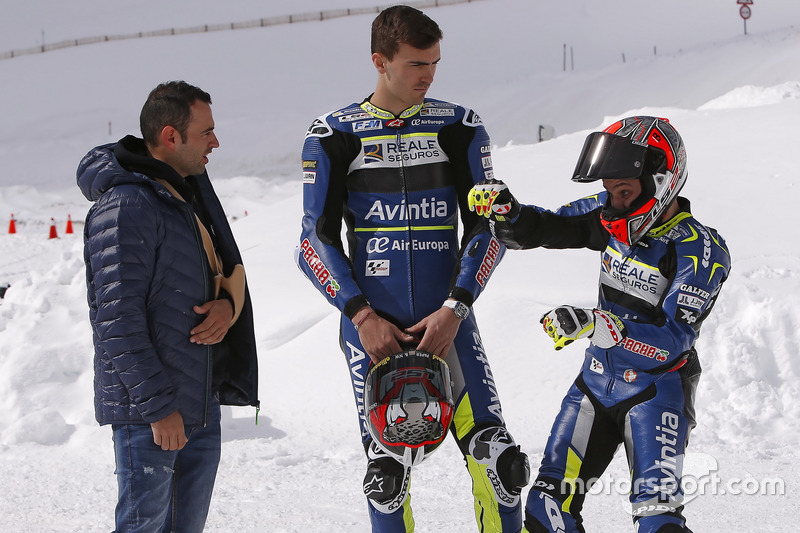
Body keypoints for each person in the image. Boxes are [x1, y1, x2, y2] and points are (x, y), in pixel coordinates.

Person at [296, 5, 529, 532]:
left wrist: (457, 307)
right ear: (380, 61)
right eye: (415, 64)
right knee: (387, 477)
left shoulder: (459, 127)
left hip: (448, 325)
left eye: (435, 64)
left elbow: (487, 229)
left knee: (501, 467)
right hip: (374, 331)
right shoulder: (334, 133)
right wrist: (360, 316)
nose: (427, 75)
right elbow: (313, 240)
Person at [468, 116, 731, 533]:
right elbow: (547, 226)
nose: (614, 202)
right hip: (595, 382)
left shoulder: (699, 247)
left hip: (656, 391)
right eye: (609, 190)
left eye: (624, 190)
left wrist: (598, 325)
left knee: (656, 518)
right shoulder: (608, 214)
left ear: (662, 181)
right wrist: (509, 214)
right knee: (545, 507)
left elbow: (673, 341)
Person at [77, 80, 259, 532]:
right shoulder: (126, 206)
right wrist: (159, 409)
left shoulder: (183, 194)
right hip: (153, 416)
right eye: (206, 132)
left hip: (199, 402)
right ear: (170, 136)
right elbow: (117, 322)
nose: (215, 142)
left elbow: (217, 274)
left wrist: (225, 309)